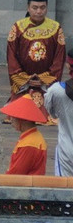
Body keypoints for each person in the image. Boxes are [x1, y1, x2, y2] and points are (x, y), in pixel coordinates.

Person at [7, 0, 65, 122]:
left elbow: (59, 58)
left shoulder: (55, 28)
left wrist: (43, 79)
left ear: (47, 8)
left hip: (46, 81)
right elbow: (11, 56)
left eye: (42, 7)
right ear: (28, 8)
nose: (39, 11)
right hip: (24, 81)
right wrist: (25, 78)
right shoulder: (18, 27)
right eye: (35, 7)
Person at [0, 94, 48, 175]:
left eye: (13, 117)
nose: (11, 120)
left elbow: (16, 174)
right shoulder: (33, 137)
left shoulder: (29, 144)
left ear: (22, 120)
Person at [44, 47, 73, 176]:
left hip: (67, 150)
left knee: (65, 191)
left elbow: (52, 112)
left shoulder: (56, 91)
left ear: (68, 65)